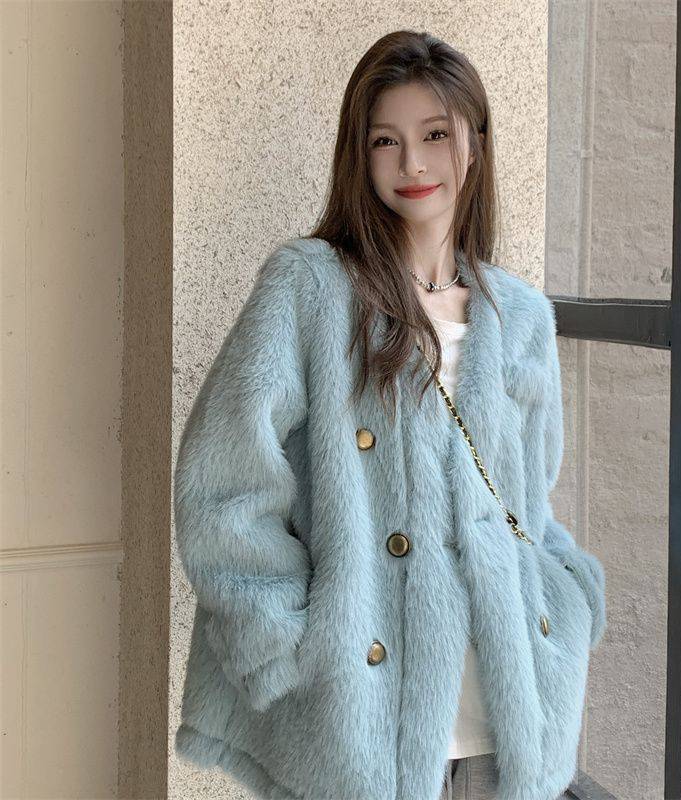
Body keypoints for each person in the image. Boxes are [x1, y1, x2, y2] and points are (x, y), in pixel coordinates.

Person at [173, 29, 607, 800]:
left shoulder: (521, 316)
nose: (412, 164)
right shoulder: (310, 288)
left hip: (507, 720)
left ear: (475, 144)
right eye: (386, 140)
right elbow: (223, 484)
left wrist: (569, 599)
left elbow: (529, 503)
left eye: (435, 135)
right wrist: (285, 642)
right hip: (360, 722)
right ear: (360, 154)